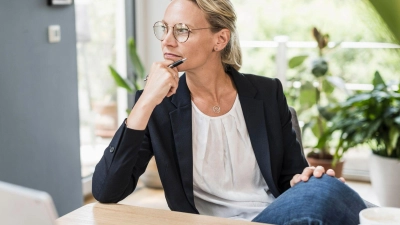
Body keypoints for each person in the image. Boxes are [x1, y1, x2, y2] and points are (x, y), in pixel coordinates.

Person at [92, 0, 367, 224]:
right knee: (337, 200)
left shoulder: (267, 93)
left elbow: (291, 176)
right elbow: (106, 192)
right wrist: (144, 103)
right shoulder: (158, 105)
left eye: (182, 30)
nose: (167, 41)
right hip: (208, 222)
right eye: (164, 28)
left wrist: (305, 180)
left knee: (327, 191)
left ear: (220, 39)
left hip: (272, 216)